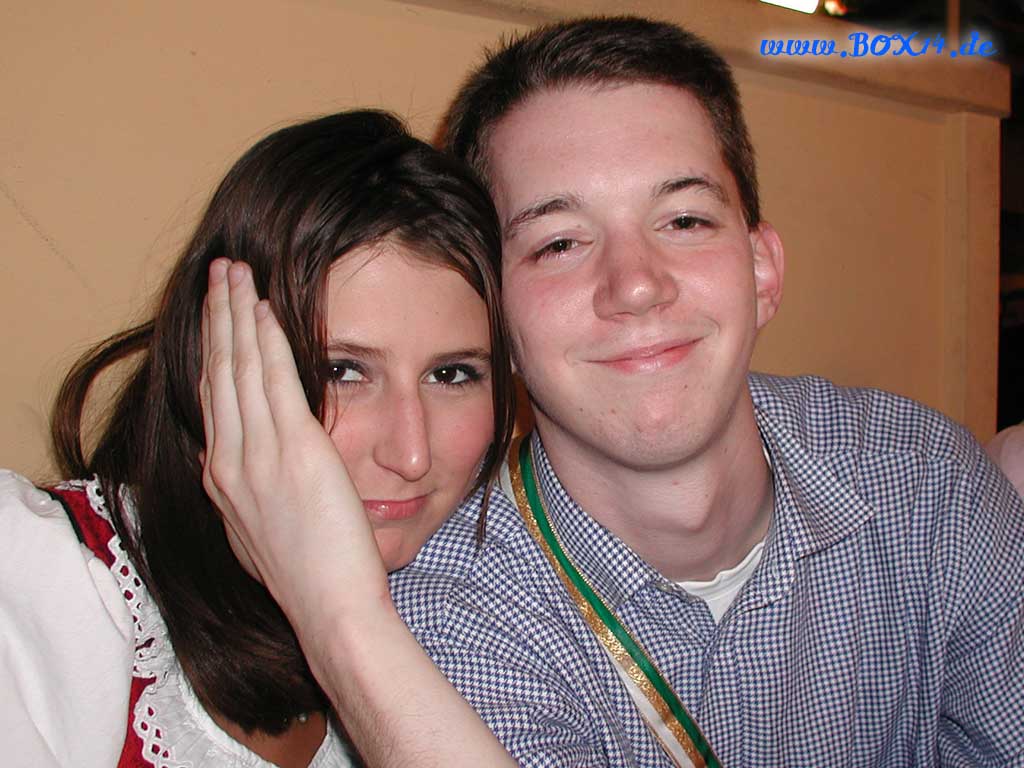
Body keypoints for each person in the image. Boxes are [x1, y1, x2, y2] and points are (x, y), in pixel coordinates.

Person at [209, 15, 1024, 768]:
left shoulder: (926, 482)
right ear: (495, 319)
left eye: (685, 220)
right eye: (560, 243)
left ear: (762, 270)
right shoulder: (453, 621)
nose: (635, 285)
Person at [0, 110, 519, 767]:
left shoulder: (478, 628)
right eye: (342, 371)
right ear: (212, 362)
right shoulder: (38, 578)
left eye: (452, 374)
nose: (411, 454)